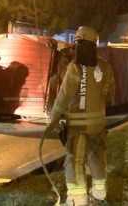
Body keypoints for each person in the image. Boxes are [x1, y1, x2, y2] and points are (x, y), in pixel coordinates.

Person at [48, 26, 115, 205]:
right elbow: (110, 94)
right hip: (98, 126)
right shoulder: (105, 67)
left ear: (76, 45)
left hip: (77, 127)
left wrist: (54, 117)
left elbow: (64, 95)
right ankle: (100, 193)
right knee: (98, 157)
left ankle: (78, 199)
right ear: (95, 45)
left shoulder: (75, 67)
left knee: (75, 160)